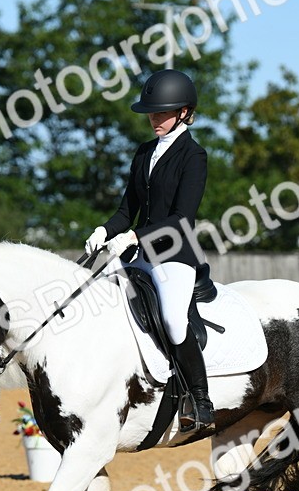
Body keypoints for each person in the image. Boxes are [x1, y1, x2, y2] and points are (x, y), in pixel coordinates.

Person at [84, 69, 214, 434]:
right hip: (136, 251)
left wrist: (135, 237)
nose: (154, 120)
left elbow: (181, 217)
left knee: (173, 319)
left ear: (185, 112)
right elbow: (127, 209)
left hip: (174, 253)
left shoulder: (194, 155)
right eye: (151, 114)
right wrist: (105, 230)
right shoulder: (144, 153)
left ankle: (201, 400)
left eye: (162, 113)